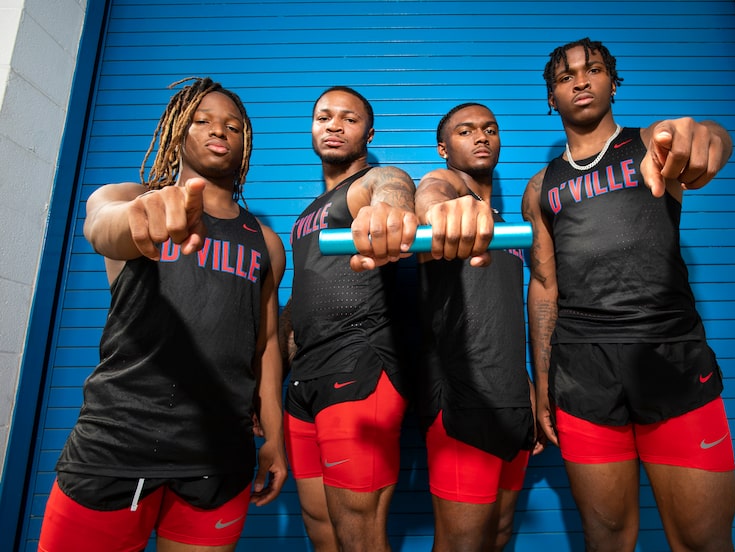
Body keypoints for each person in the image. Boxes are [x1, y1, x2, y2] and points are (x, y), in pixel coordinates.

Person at [39, 77, 287, 552]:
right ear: (177, 131)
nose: (220, 131)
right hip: (116, 445)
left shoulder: (265, 243)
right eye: (203, 120)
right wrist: (139, 216)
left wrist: (273, 438)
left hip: (219, 455)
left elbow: (267, 345)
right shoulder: (129, 197)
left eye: (233, 126)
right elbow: (102, 226)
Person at [522, 37, 735, 551]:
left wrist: (707, 138)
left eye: (593, 69)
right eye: (565, 75)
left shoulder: (654, 145)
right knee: (608, 540)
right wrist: (544, 382)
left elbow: (708, 138)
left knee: (702, 540)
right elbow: (545, 285)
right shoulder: (540, 187)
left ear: (612, 82)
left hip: (670, 355)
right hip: (582, 372)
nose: (580, 80)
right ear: (551, 97)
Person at [280, 85, 418, 552]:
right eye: (324, 117)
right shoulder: (305, 216)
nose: (334, 126)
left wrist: (393, 208)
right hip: (303, 381)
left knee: (359, 535)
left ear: (369, 132)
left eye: (348, 118)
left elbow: (392, 185)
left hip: (359, 367)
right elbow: (301, 296)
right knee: (320, 527)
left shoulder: (364, 186)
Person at [414, 103, 536, 552]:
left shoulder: (503, 225)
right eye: (465, 131)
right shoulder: (448, 208)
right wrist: (439, 205)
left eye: (489, 129)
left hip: (511, 398)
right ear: (444, 147)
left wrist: (527, 386)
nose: (481, 136)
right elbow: (430, 190)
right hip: (461, 401)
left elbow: (501, 312)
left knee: (498, 536)